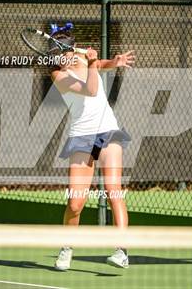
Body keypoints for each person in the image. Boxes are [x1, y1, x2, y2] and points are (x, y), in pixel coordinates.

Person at [50, 23, 135, 270]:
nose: (61, 57)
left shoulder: (78, 56)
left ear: (71, 48)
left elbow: (95, 65)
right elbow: (91, 88)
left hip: (108, 132)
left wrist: (113, 62)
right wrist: (94, 62)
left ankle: (122, 251)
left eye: (64, 52)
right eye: (56, 53)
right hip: (82, 137)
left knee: (113, 191)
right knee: (76, 202)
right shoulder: (56, 74)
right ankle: (67, 248)